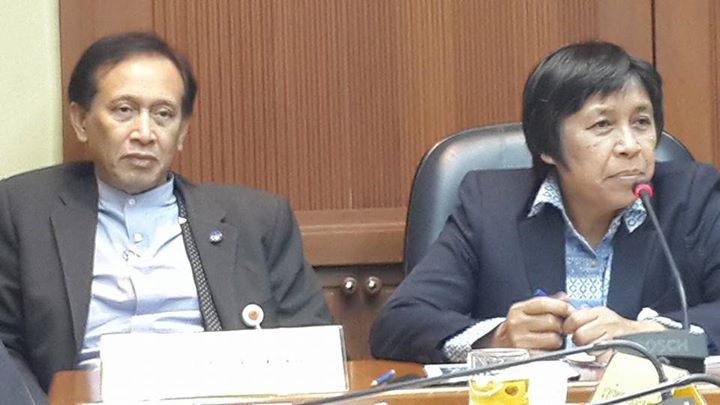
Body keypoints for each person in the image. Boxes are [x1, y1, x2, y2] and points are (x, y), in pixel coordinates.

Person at [0, 32, 331, 401]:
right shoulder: (22, 211)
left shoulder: (258, 220)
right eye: (124, 110)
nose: (145, 134)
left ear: (182, 131)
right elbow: (5, 348)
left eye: (163, 115)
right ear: (80, 121)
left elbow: (315, 348)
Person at [370, 41, 720, 364]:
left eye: (641, 122)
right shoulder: (489, 207)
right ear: (548, 147)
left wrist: (650, 336)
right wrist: (497, 339)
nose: (631, 146)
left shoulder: (692, 197)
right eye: (603, 125)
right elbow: (399, 323)